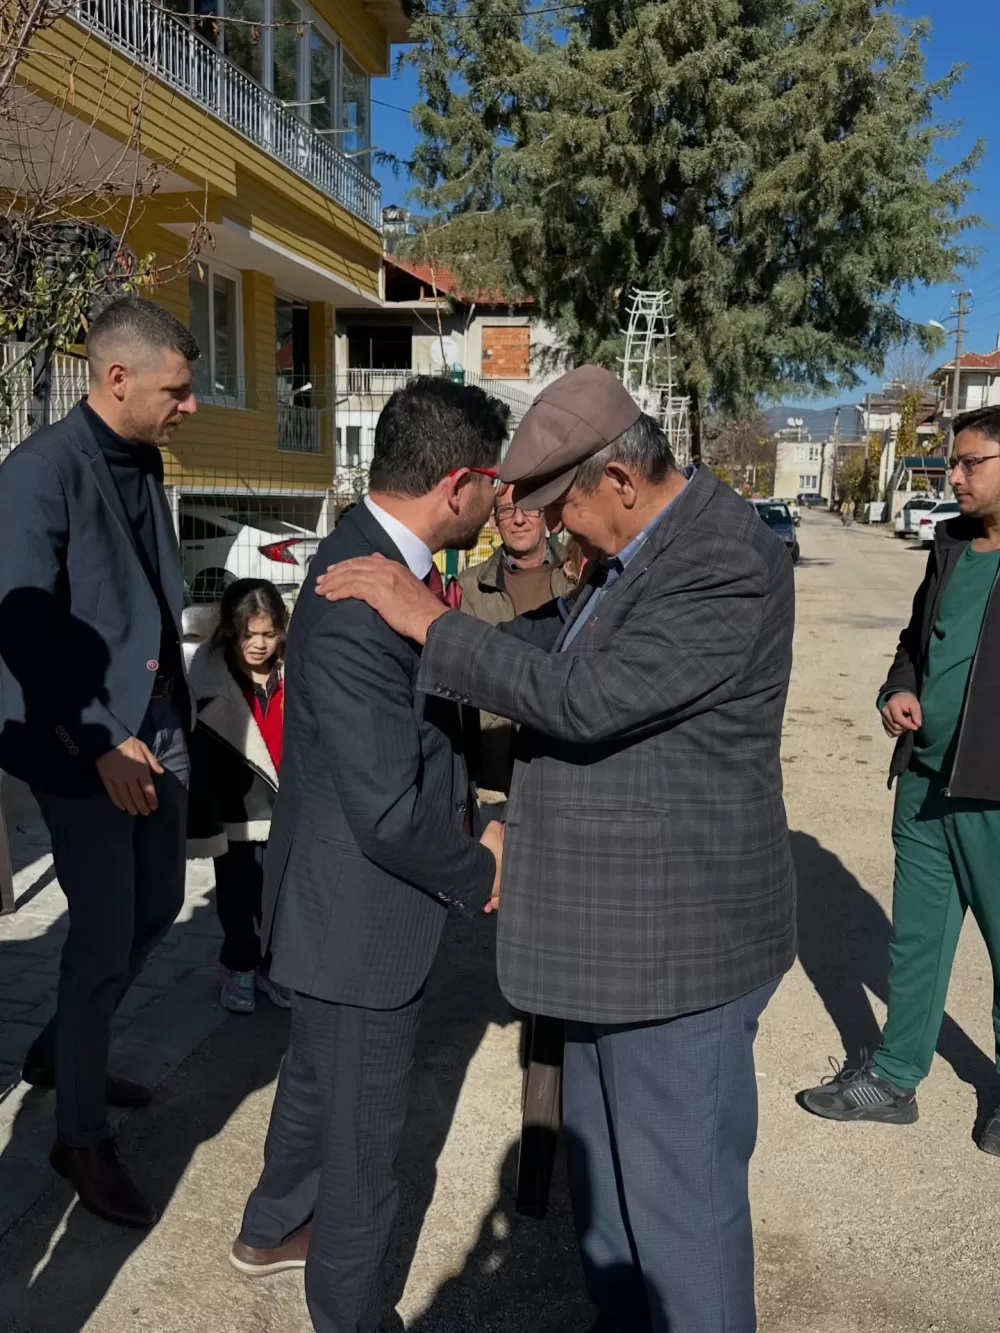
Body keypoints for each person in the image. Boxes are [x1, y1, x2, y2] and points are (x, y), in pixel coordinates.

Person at [315, 364, 797, 1333]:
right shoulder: (639, 551)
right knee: (614, 1215)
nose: (557, 530)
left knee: (682, 1230)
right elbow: (567, 658)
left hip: (676, 956)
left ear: (620, 479)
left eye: (563, 506)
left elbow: (587, 698)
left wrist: (434, 621)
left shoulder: (724, 557)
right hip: (611, 953)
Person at [230, 376, 507, 1333]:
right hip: (357, 923)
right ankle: (351, 1312)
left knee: (318, 1088)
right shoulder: (358, 594)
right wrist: (481, 868)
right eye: (494, 483)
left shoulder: (379, 560)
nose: (498, 502)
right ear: (459, 483)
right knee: (363, 1143)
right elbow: (388, 810)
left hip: (335, 914)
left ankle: (270, 1228)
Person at [0, 296, 198, 1228]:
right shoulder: (38, 475)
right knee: (99, 940)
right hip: (82, 743)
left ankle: (56, 1051)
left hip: (154, 728)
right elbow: (22, 634)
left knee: (159, 904)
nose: (190, 405)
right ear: (116, 378)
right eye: (179, 389)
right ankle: (77, 1136)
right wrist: (95, 738)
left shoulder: (143, 458)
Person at [801, 405, 1000, 1148]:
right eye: (954, 461)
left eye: (970, 462)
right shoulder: (948, 544)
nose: (953, 476)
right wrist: (897, 690)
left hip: (993, 790)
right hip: (924, 777)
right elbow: (913, 641)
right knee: (916, 939)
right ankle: (894, 1075)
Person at [186, 578, 292, 1014]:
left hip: (287, 806)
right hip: (237, 810)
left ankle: (271, 966)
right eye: (250, 635)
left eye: (269, 634)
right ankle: (238, 965)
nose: (260, 645)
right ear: (231, 630)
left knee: (280, 897)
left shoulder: (294, 673)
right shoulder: (211, 678)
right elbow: (201, 755)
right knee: (238, 895)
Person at [456, 484, 576, 803]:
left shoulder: (578, 578)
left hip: (565, 772)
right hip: (494, 778)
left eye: (530, 508)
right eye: (507, 510)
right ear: (494, 522)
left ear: (547, 515)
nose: (519, 519)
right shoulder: (470, 588)